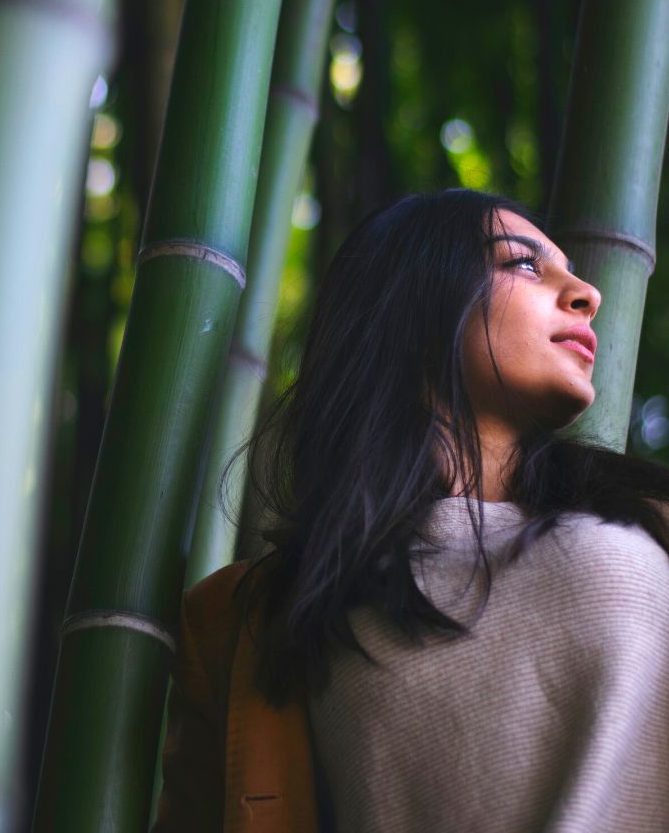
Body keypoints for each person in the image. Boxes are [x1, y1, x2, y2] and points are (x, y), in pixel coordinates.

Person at [151, 189, 669, 833]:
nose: (587, 292)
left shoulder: (648, 520)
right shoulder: (248, 621)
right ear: (414, 304)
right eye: (524, 265)